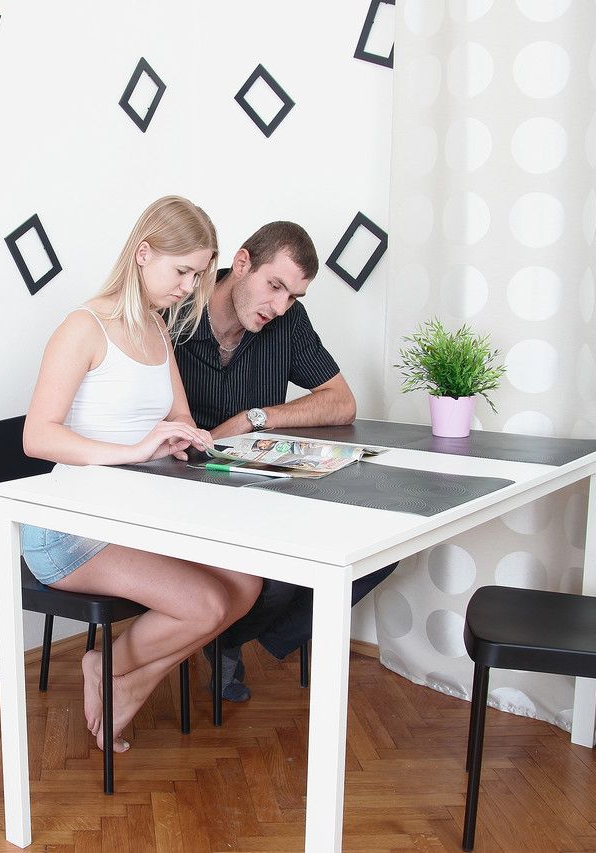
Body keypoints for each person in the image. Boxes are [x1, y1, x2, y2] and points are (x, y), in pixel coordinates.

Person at [22, 196, 264, 751]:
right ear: (143, 252)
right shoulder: (82, 328)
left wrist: (186, 433)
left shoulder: (156, 328)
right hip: (69, 531)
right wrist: (133, 450)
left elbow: (178, 413)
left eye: (198, 275)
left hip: (134, 518)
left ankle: (125, 680)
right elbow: (38, 437)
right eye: (182, 272)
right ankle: (107, 671)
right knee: (205, 604)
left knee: (245, 583)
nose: (189, 288)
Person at [172, 220, 397, 701]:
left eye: (293, 296)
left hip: (263, 488)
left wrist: (254, 419)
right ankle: (225, 636)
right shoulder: (175, 312)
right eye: (275, 286)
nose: (280, 306)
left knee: (379, 550)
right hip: (184, 489)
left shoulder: (286, 322)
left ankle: (231, 639)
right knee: (277, 577)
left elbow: (342, 402)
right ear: (242, 262)